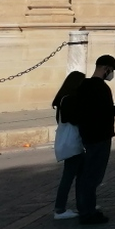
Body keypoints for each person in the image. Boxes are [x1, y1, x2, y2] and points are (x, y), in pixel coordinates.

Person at [73, 55, 115, 224]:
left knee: (85, 175)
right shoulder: (102, 88)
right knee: (93, 177)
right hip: (100, 136)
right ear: (106, 68)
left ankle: (85, 209)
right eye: (111, 70)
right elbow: (108, 112)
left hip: (86, 135)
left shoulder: (82, 86)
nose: (111, 74)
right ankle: (88, 214)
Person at [51, 70, 86, 220]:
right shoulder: (70, 99)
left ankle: (83, 204)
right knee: (70, 176)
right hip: (73, 144)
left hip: (70, 143)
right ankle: (60, 209)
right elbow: (73, 119)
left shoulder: (62, 99)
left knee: (79, 175)